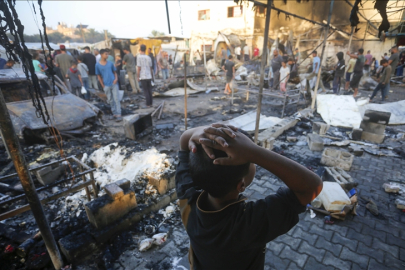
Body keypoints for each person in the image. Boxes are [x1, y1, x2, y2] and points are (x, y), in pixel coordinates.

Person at [176, 124, 322, 270]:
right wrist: (254, 152)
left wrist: (200, 131)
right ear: (241, 185)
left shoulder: (188, 199)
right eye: (252, 161)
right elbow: (312, 187)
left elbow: (184, 140)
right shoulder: (248, 225)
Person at [96, 49, 122, 122]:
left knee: (116, 98)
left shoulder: (110, 63)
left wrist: (116, 79)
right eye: (106, 54)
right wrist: (103, 85)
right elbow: (99, 76)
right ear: (101, 55)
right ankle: (114, 113)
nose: (107, 55)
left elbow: (115, 72)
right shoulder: (97, 65)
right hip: (106, 85)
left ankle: (119, 113)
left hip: (113, 83)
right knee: (110, 100)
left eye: (107, 54)